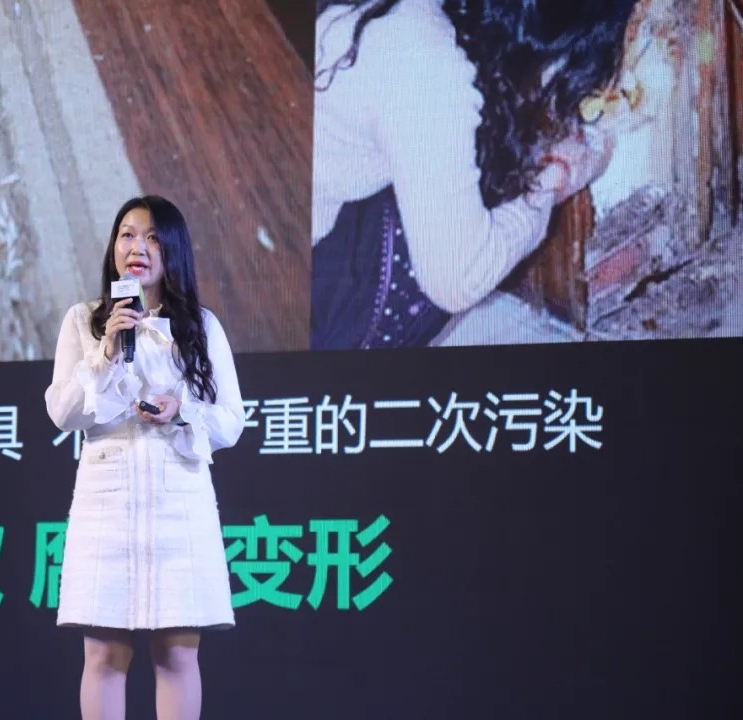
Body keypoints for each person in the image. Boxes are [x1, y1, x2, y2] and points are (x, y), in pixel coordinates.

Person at [311, 0, 638, 348]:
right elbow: (459, 279)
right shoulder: (425, 60)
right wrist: (552, 181)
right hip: (295, 292)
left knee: (454, 176)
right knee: (454, 237)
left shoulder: (417, 20)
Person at [44, 195, 245, 720]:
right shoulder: (84, 321)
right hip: (107, 506)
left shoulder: (202, 326)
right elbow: (63, 412)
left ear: (173, 249)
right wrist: (108, 351)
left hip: (179, 505)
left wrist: (181, 412)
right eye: (127, 235)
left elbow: (231, 421)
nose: (138, 247)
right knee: (104, 656)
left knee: (177, 654)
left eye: (153, 237)